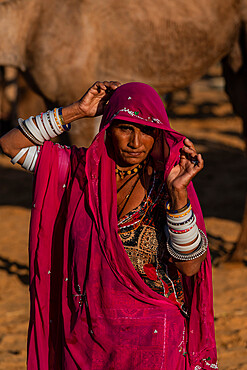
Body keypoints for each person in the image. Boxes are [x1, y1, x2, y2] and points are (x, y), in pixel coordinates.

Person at [0, 81, 217, 369]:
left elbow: (190, 267)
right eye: (126, 128)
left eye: (147, 131)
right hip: (87, 334)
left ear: (159, 134)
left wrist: (178, 193)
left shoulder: (167, 183)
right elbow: (10, 144)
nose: (135, 142)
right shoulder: (78, 173)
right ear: (107, 128)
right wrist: (78, 110)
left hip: (154, 334)